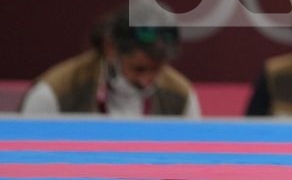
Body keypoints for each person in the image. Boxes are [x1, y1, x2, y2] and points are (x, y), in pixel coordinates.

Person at [21, 9, 199, 117]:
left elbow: (193, 166)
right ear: (111, 48)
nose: (147, 80)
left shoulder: (180, 94)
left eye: (157, 69)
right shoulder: (54, 92)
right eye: (139, 69)